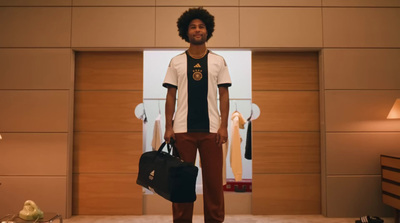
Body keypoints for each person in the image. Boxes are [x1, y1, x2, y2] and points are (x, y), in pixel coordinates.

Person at [162, 7, 231, 223]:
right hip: (183, 133)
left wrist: (223, 126)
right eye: (193, 27)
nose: (197, 30)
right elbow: (170, 96)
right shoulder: (176, 61)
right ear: (186, 31)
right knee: (182, 185)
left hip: (212, 134)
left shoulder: (219, 61)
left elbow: (224, 95)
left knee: (213, 186)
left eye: (201, 26)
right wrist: (168, 126)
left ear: (207, 30)